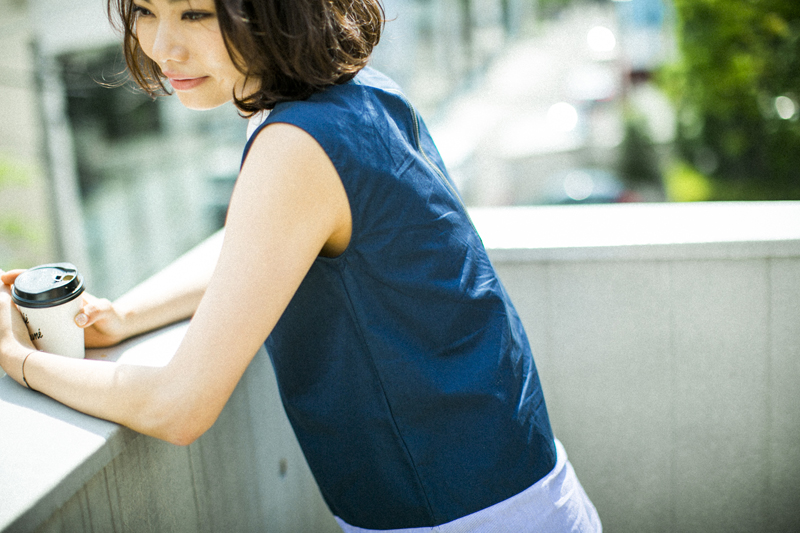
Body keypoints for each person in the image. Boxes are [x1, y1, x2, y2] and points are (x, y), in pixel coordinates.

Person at [0, 0, 601, 531]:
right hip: (517, 484)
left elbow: (178, 406)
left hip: (463, 514)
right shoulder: (356, 93)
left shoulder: (296, 143)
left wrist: (17, 358)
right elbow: (261, 254)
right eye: (144, 11)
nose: (161, 47)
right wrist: (124, 317)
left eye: (195, 13)